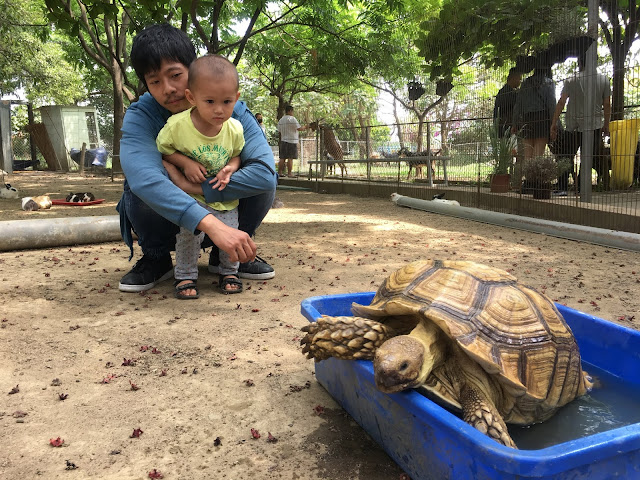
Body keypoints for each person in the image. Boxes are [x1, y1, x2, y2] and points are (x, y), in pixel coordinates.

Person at [117, 24, 277, 293]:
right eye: (155, 81)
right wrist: (210, 224)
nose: (168, 88)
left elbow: (263, 172)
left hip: (225, 214)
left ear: (193, 68)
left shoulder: (229, 109)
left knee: (264, 184)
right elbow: (144, 179)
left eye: (175, 75)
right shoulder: (140, 116)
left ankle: (229, 254)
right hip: (169, 223)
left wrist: (193, 188)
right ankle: (157, 257)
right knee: (136, 187)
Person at [157, 55, 245, 298]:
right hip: (191, 197)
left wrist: (231, 168)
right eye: (209, 101)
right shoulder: (177, 126)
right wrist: (185, 163)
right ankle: (185, 275)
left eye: (227, 101)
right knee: (188, 236)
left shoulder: (235, 128)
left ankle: (229, 272)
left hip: (223, 195)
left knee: (230, 233)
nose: (219, 109)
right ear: (191, 98)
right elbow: (164, 151)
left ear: (236, 99)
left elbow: (237, 155)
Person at [550, 54, 611, 191]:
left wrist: (554, 122)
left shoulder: (571, 80)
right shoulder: (603, 79)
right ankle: (583, 188)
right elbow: (607, 104)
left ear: (580, 63)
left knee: (566, 156)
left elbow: (561, 102)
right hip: (594, 125)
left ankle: (562, 187)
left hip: (573, 125)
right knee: (587, 157)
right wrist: (606, 124)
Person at [512, 66, 556, 162]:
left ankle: (528, 175)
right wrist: (554, 123)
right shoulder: (549, 82)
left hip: (527, 119)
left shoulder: (525, 83)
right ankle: (534, 176)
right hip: (542, 119)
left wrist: (514, 123)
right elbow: (552, 104)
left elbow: (518, 105)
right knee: (538, 156)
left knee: (528, 156)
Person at [276, 105, 308, 177]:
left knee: (282, 158)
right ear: (290, 111)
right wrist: (306, 127)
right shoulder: (292, 119)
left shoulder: (281, 120)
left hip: (283, 140)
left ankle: (279, 172)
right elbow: (299, 128)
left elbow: (279, 131)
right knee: (290, 158)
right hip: (292, 141)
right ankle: (289, 173)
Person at [493, 68, 522, 134]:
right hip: (506, 127)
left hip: (505, 126)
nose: (520, 82)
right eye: (519, 79)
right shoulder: (507, 92)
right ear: (513, 78)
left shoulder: (506, 91)